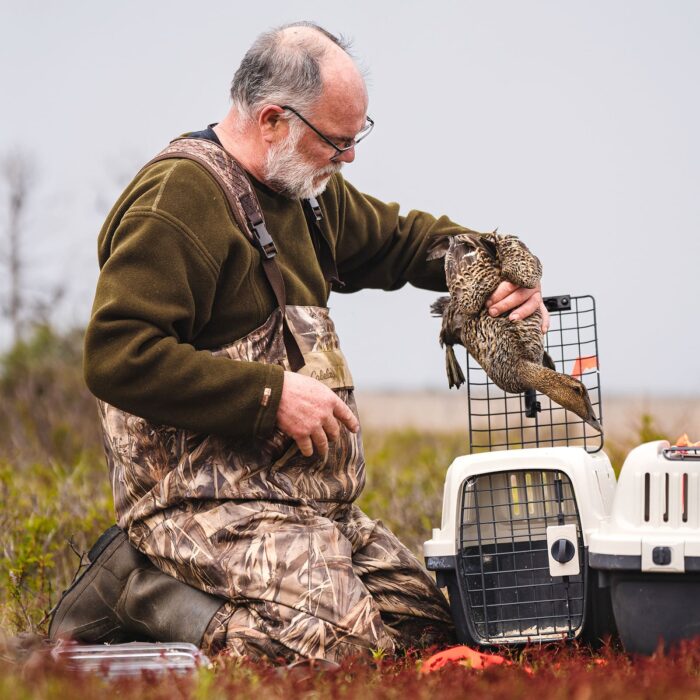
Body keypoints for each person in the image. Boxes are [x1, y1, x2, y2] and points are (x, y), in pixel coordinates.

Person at [49, 22, 547, 662]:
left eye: (356, 138)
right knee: (338, 651)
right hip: (199, 505)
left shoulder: (305, 194)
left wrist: (497, 268)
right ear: (273, 120)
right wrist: (269, 395)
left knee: (431, 627)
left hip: (310, 505)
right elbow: (117, 355)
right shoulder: (177, 201)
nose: (349, 158)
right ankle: (139, 591)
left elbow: (402, 241)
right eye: (337, 142)